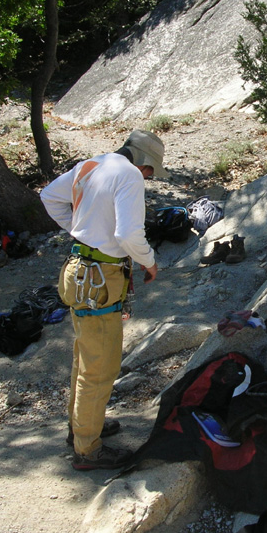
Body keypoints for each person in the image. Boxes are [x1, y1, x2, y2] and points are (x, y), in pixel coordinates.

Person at [40, 129, 169, 469]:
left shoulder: (91, 164)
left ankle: (81, 428)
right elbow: (128, 233)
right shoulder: (129, 175)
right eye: (152, 171)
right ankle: (87, 449)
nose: (150, 178)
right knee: (100, 369)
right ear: (143, 162)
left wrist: (80, 231)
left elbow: (49, 196)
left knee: (85, 358)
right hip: (99, 278)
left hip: (78, 271)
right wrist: (149, 261)